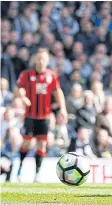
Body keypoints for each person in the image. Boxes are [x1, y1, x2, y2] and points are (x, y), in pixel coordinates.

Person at [14, 47, 68, 182]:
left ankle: (37, 174)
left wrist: (63, 108)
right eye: (38, 59)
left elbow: (57, 91)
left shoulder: (52, 75)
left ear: (48, 60)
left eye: (43, 59)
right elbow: (18, 88)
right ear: (35, 60)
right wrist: (22, 96)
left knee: (42, 144)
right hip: (30, 116)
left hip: (44, 117)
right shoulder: (26, 74)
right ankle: (19, 169)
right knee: (26, 143)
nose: (40, 61)